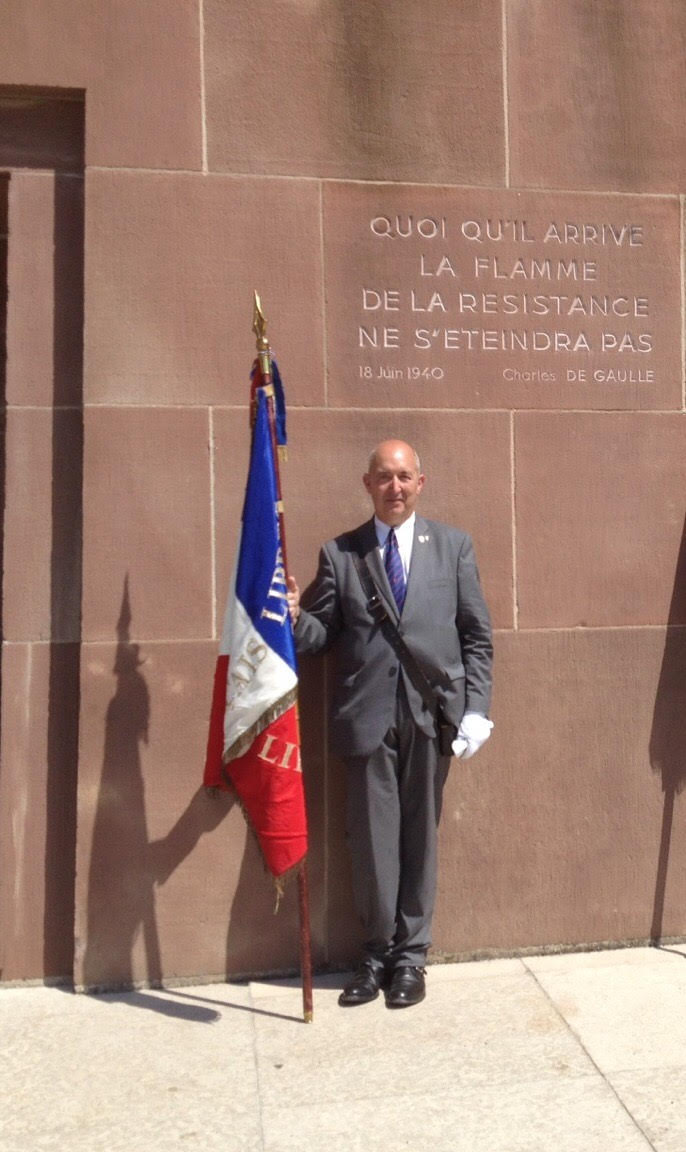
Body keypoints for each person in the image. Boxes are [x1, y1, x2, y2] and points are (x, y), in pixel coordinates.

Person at [287, 440, 493, 1008]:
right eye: (384, 477)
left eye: (404, 477)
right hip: (367, 718)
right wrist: (294, 616)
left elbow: (476, 636)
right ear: (368, 484)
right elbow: (320, 637)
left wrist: (477, 708)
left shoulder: (453, 547)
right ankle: (376, 955)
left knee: (419, 839)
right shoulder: (340, 554)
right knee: (374, 843)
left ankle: (411, 959)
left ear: (420, 483)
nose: (394, 488)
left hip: (431, 716)